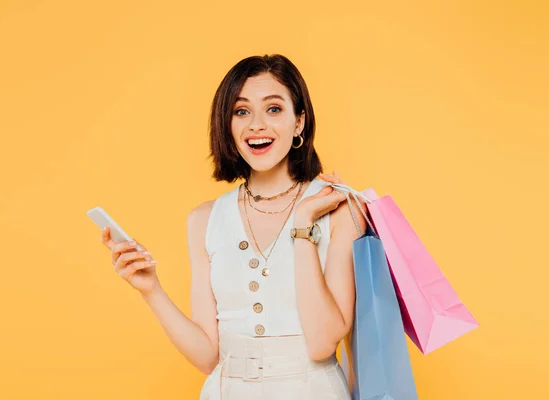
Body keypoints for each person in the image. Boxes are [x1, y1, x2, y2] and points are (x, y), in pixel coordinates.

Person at [100, 54, 367, 399]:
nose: (256, 124)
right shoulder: (204, 219)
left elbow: (321, 342)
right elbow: (207, 356)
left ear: (299, 122)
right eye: (241, 111)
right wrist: (151, 289)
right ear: (227, 124)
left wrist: (303, 226)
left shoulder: (340, 209)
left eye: (274, 109)